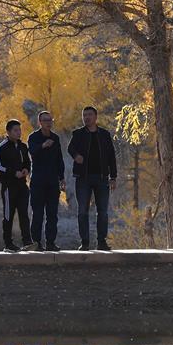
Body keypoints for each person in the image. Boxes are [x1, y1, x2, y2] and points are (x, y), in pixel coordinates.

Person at [68, 106, 118, 251]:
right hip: (83, 178)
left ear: (96, 117)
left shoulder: (104, 134)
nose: (86, 118)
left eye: (89, 115)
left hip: (102, 178)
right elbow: (70, 148)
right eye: (84, 115)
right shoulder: (78, 134)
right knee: (82, 211)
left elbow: (111, 157)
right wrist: (76, 156)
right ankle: (84, 242)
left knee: (102, 212)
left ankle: (101, 242)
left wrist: (113, 177)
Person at [0, 120, 37, 252]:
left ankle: (27, 241)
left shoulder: (23, 146)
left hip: (22, 186)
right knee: (9, 215)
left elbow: (27, 162)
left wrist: (26, 170)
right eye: (15, 130)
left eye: (19, 130)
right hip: (8, 186)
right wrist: (13, 173)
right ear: (8, 131)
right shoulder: (1, 147)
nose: (18, 133)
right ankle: (8, 244)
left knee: (24, 213)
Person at [27, 111, 66, 252]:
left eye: (50, 120)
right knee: (37, 214)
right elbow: (31, 152)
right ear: (40, 122)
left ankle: (51, 243)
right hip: (38, 181)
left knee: (52, 214)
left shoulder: (55, 138)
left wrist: (62, 178)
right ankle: (36, 243)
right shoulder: (33, 137)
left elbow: (59, 159)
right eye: (45, 120)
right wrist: (43, 145)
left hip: (53, 182)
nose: (48, 122)